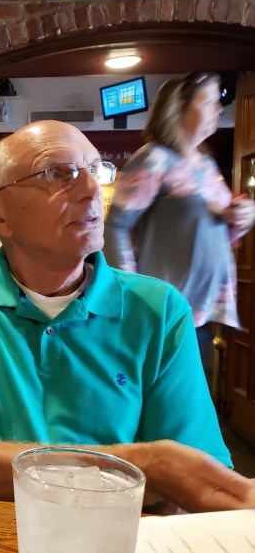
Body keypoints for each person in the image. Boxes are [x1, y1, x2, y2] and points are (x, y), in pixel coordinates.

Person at [0, 120, 255, 513]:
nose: (93, 189)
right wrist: (140, 468)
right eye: (57, 173)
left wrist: (162, 476)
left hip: (116, 537)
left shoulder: (159, 307)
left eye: (95, 170)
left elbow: (195, 482)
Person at [104, 72, 255, 383]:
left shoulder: (206, 166)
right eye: (209, 101)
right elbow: (116, 227)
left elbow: (210, 229)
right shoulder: (155, 159)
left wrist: (242, 217)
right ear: (180, 107)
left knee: (188, 402)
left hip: (201, 313)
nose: (219, 109)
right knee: (164, 401)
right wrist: (133, 295)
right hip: (163, 314)